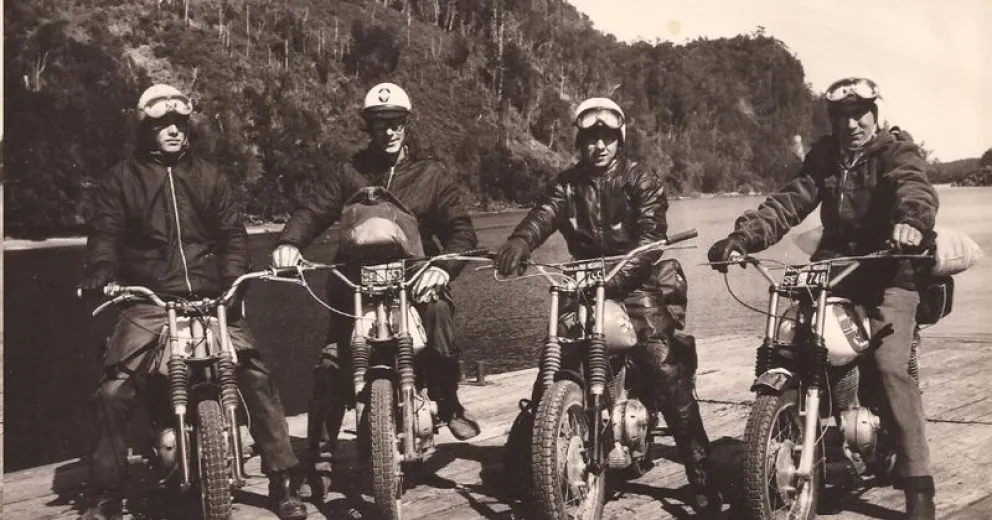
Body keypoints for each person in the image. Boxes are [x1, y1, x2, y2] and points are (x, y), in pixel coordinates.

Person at [706, 76, 939, 519]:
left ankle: (919, 483)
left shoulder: (896, 151)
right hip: (836, 269)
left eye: (860, 114)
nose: (852, 124)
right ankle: (808, 451)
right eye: (842, 116)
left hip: (891, 269)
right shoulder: (826, 156)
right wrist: (743, 238)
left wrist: (911, 222)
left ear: (875, 114)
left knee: (890, 367)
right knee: (793, 339)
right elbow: (789, 202)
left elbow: (915, 188)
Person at [76, 84, 308, 520]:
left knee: (255, 375)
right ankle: (105, 493)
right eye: (162, 124)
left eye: (180, 123)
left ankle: (283, 483)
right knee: (114, 389)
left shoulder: (209, 176)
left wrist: (233, 279)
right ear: (145, 129)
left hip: (211, 297)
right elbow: (105, 235)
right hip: (149, 301)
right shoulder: (121, 180)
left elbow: (232, 235)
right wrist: (102, 271)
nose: (173, 131)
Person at [495, 97, 723, 514]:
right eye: (590, 137)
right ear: (580, 142)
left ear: (619, 139)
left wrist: (615, 279)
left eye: (607, 137)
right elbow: (544, 213)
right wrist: (521, 240)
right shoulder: (567, 184)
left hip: (635, 285)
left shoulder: (640, 180)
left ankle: (702, 475)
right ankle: (528, 463)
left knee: (667, 371)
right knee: (552, 369)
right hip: (584, 284)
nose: (599, 145)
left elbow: (650, 237)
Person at [270, 82, 481, 503]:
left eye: (396, 122)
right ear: (368, 125)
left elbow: (461, 231)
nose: (389, 131)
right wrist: (289, 243)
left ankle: (447, 399)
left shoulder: (431, 175)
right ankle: (321, 460)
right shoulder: (349, 172)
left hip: (414, 279)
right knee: (332, 362)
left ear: (407, 123)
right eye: (379, 122)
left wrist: (442, 268)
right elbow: (313, 211)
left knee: (440, 316)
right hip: (356, 284)